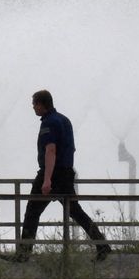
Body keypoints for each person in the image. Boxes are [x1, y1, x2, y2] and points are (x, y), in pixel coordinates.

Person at [11, 90, 111, 262]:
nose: (33, 107)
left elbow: (51, 150)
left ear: (42, 104)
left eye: (34, 104)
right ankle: (102, 245)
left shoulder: (49, 123)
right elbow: (70, 148)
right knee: (76, 212)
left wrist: (47, 179)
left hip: (52, 173)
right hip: (66, 173)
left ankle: (23, 254)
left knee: (32, 212)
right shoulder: (64, 120)